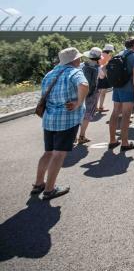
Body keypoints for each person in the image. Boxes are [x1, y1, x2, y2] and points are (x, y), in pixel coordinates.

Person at [32, 47, 89, 200]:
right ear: (75, 60)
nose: (80, 60)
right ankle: (50, 190)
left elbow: (44, 95)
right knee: (59, 154)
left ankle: (38, 183)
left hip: (49, 119)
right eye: (79, 58)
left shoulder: (50, 74)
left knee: (48, 152)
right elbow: (84, 85)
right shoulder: (75, 72)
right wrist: (78, 102)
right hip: (67, 120)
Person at [108, 37, 134, 151]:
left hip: (117, 87)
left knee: (115, 113)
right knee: (126, 115)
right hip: (128, 88)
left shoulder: (119, 54)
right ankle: (125, 143)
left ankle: (112, 140)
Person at [77, 47, 102, 145]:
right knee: (87, 114)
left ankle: (73, 136)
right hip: (91, 93)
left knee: (77, 112)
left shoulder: (82, 65)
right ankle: (82, 136)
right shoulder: (97, 68)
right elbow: (102, 76)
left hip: (79, 91)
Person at [97, 44, 114, 112]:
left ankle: (95, 107)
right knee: (103, 92)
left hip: (98, 74)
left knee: (98, 92)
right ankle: (101, 107)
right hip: (104, 74)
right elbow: (109, 65)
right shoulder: (108, 56)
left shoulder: (99, 54)